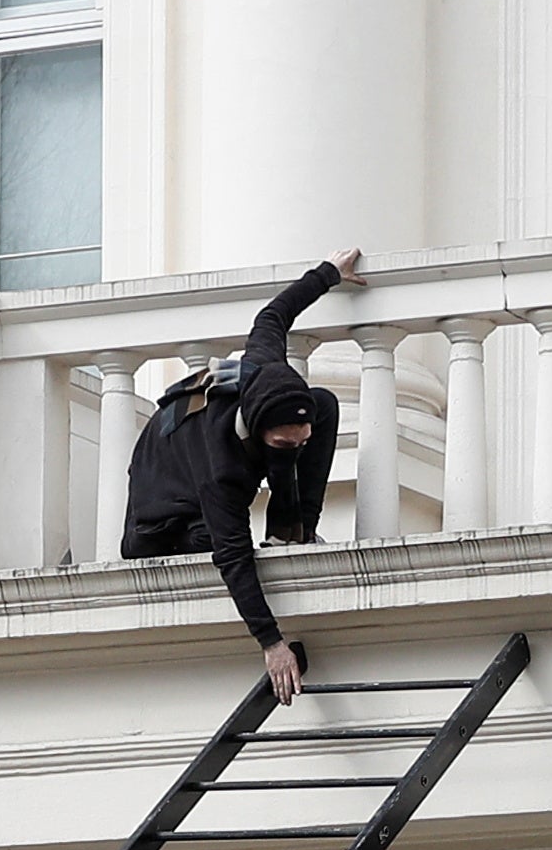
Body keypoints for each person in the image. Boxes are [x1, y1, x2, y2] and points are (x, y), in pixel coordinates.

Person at [120, 248, 367, 701]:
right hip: (163, 525)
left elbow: (273, 315)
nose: (293, 449)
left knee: (327, 403)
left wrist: (330, 273)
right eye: (281, 442)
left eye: (300, 439)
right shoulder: (220, 464)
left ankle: (295, 532)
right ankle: (284, 528)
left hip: (215, 463)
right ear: (257, 427)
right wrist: (272, 644)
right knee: (213, 540)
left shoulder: (265, 367)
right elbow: (233, 556)